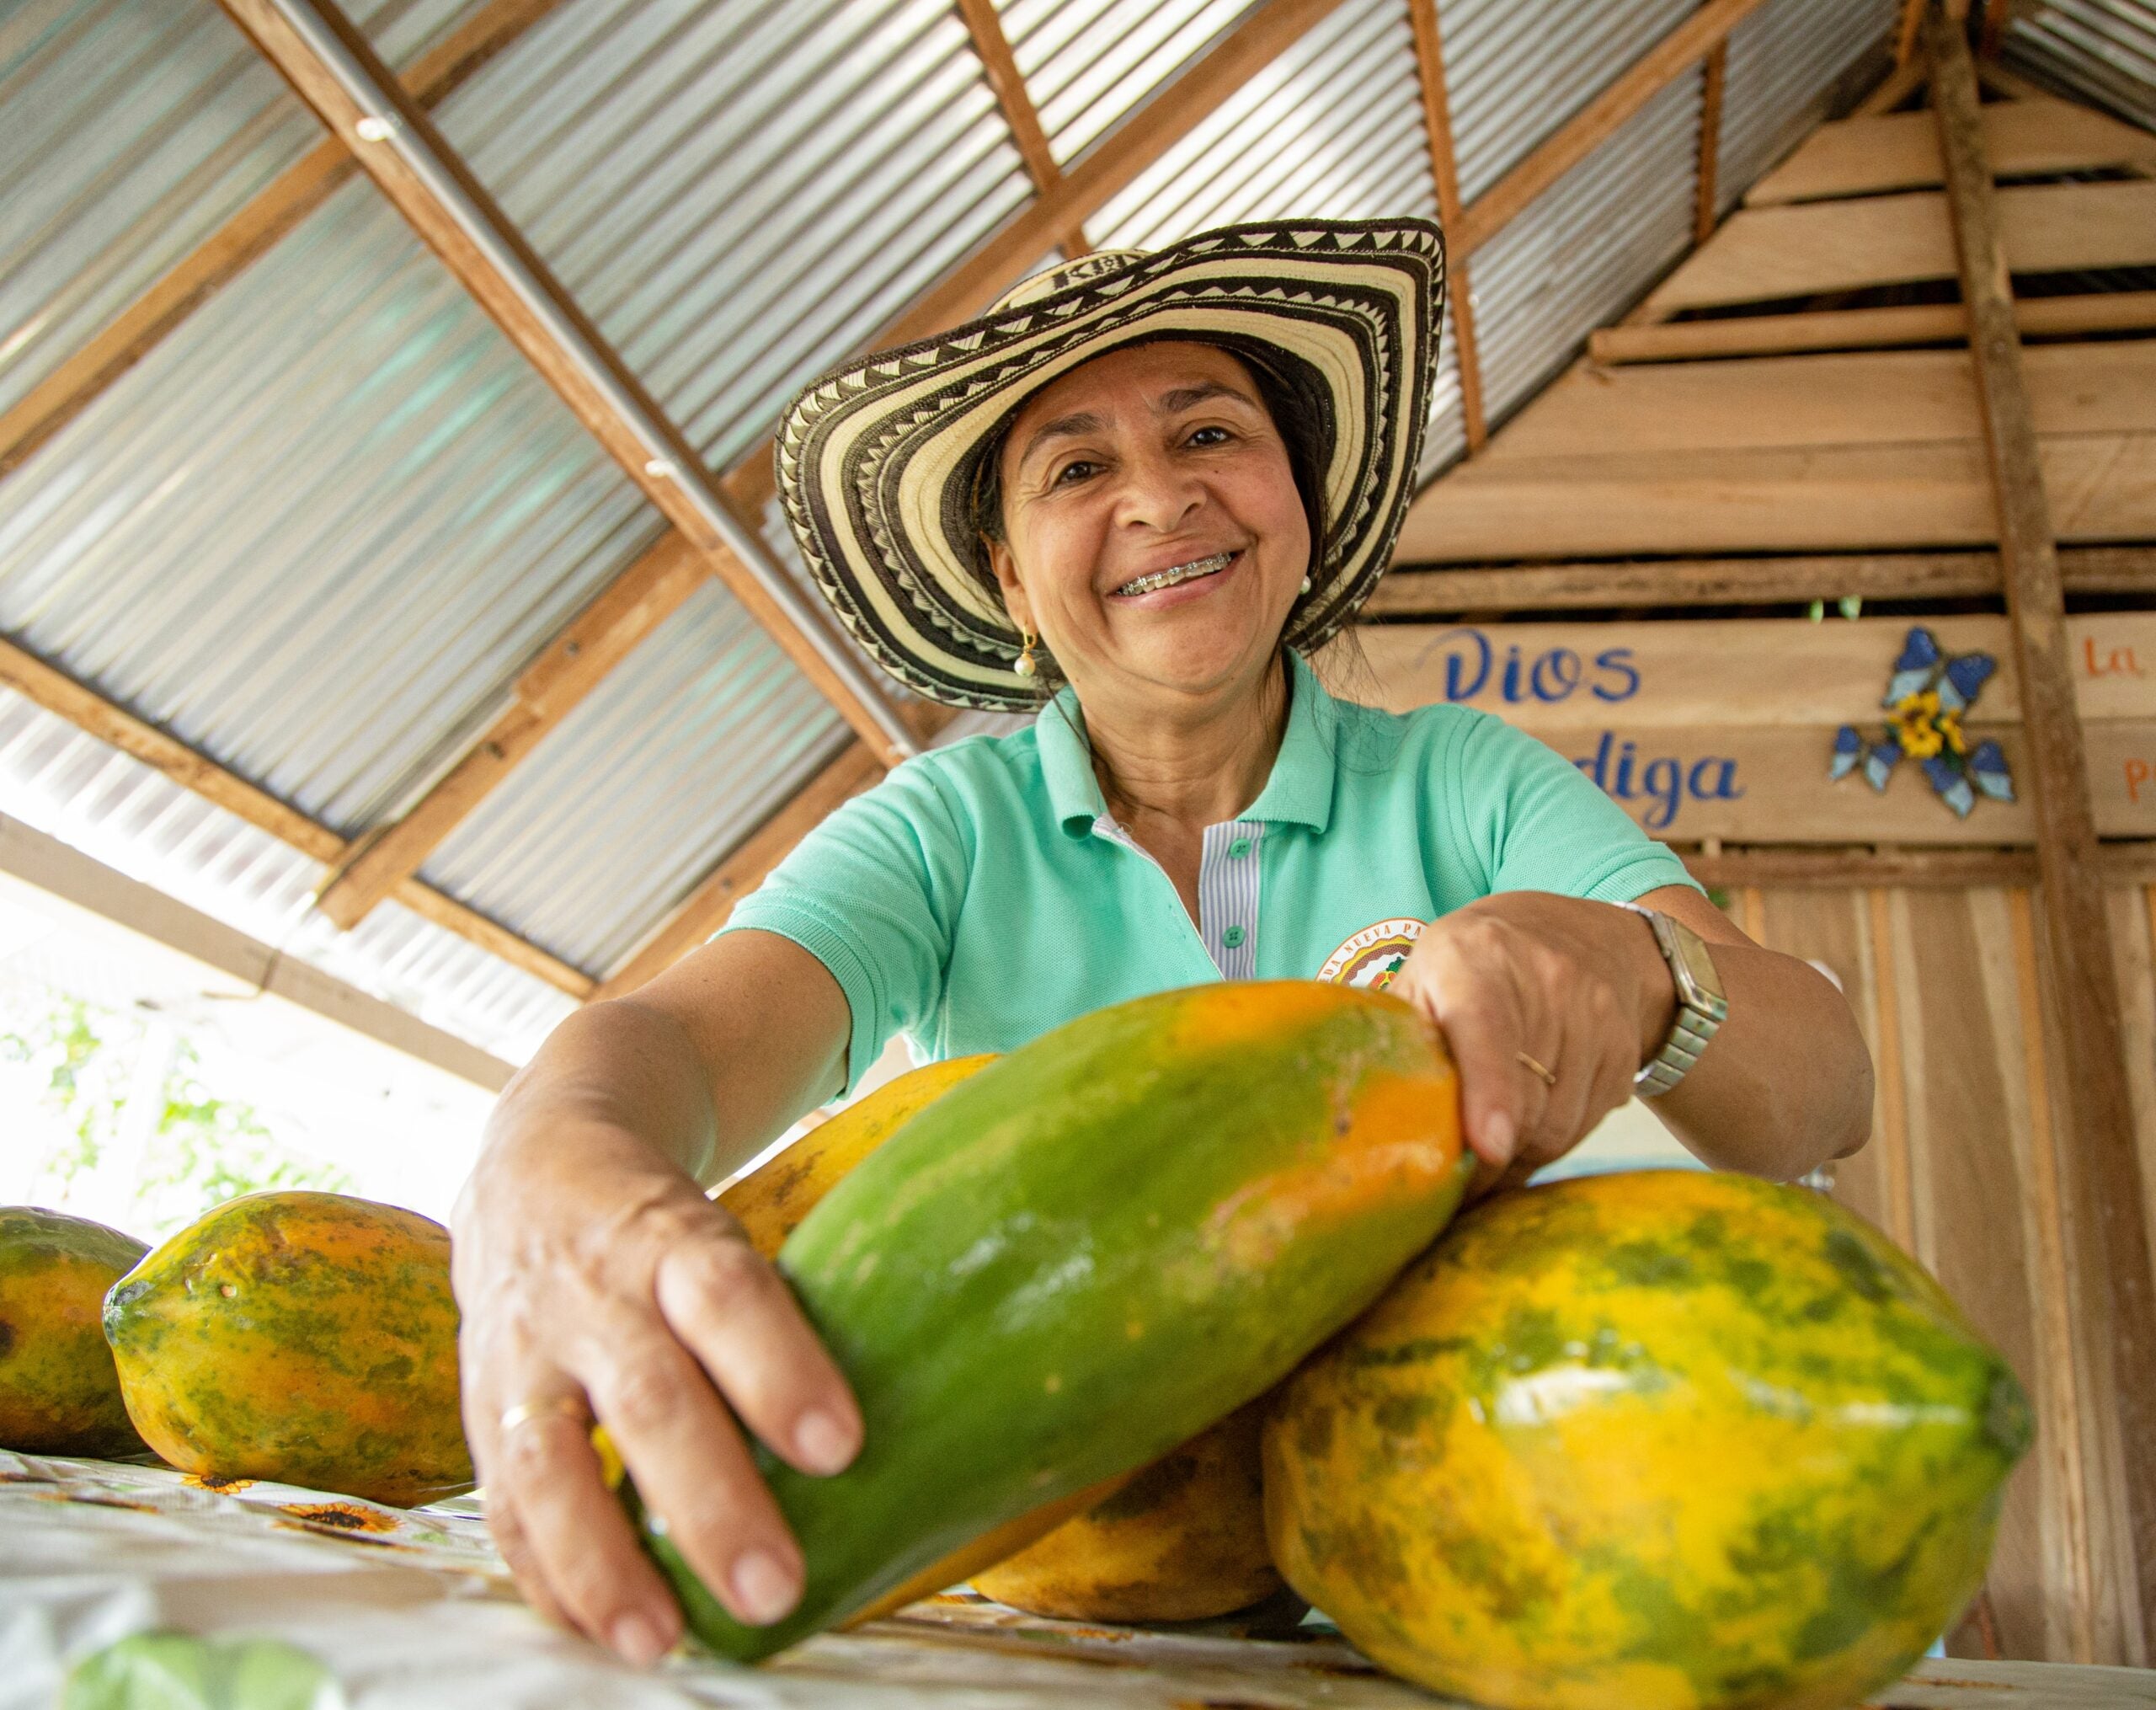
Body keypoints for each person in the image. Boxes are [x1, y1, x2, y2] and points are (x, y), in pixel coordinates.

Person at [451, 220, 1873, 1665]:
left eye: (1210, 430)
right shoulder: (949, 826)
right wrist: (546, 1155)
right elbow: (683, 1044)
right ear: (1011, 580)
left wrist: (1640, 970)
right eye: (1078, 467)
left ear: (1296, 504)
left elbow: (1823, 1081)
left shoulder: (1468, 782)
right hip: (1042, 1625)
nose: (1161, 496)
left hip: (1454, 1588)